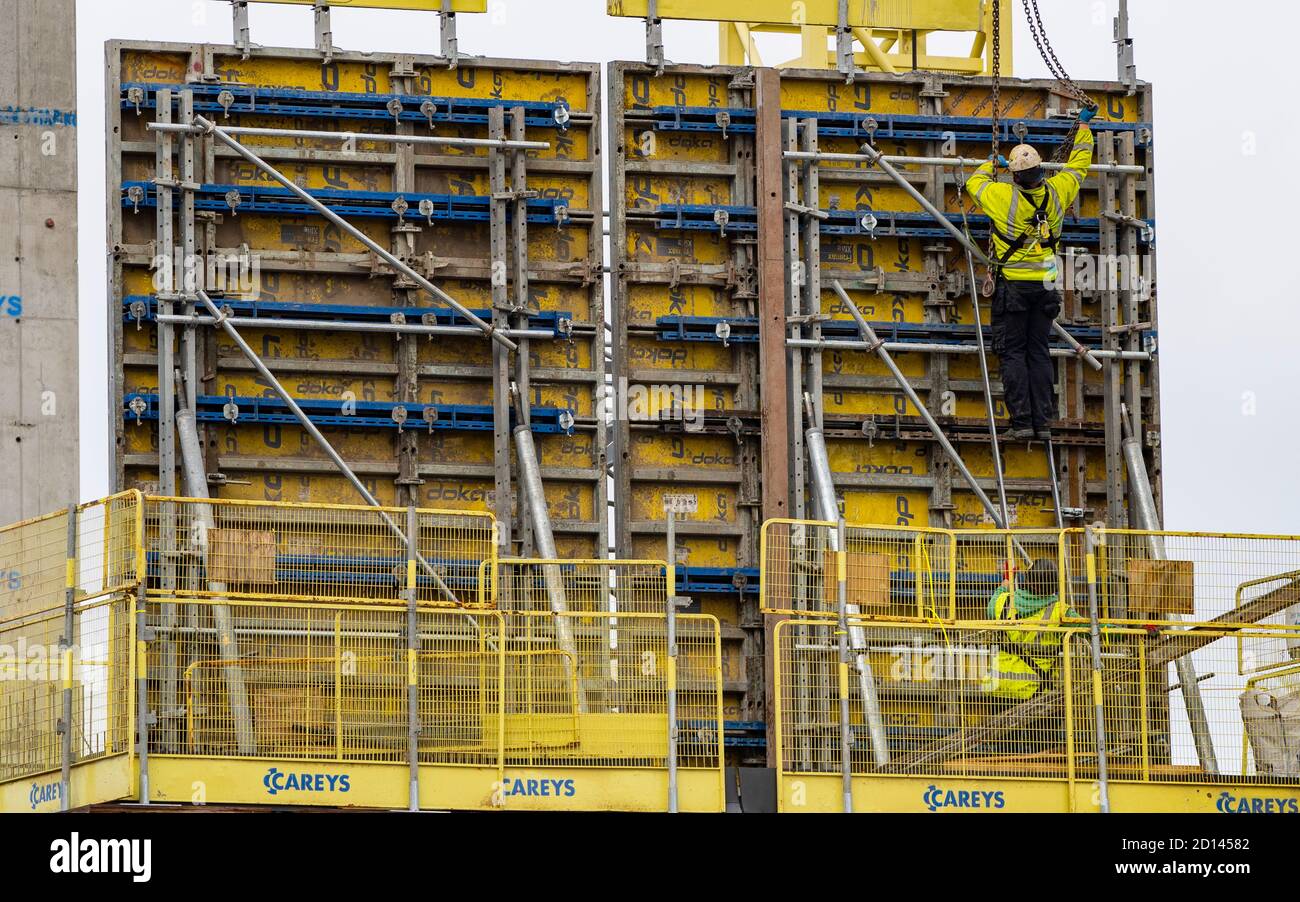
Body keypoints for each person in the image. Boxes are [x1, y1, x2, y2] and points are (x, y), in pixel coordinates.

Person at [966, 107, 1097, 442]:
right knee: (1038, 351)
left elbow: (973, 183)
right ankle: (1044, 423)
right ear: (1041, 169)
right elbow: (1080, 162)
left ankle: (1022, 423)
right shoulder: (1058, 191)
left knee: (1013, 353)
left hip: (1013, 289)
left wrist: (991, 164)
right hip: (1045, 288)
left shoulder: (1001, 196)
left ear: (1014, 175)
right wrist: (1082, 126)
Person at [984, 558, 1080, 700]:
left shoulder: (1003, 601)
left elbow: (995, 599)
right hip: (1035, 693)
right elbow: (1089, 628)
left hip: (997, 689)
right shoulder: (1060, 611)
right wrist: (1119, 633)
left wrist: (1007, 579)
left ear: (1027, 579)